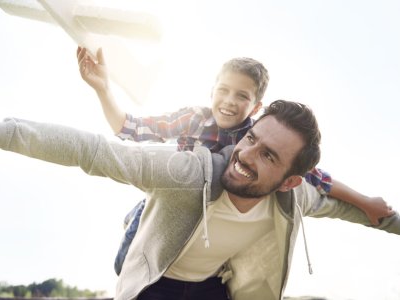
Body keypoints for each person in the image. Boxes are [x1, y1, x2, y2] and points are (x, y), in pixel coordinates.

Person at [0, 100, 398, 300]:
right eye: (252, 140)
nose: (245, 157)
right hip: (156, 283)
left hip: (210, 288)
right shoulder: (192, 172)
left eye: (267, 156)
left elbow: (358, 214)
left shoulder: (293, 200)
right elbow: (95, 151)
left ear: (288, 180)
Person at [76, 47, 394, 274]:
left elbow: (317, 179)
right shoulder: (193, 119)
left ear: (256, 106)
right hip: (169, 211)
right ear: (212, 90)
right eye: (223, 90)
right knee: (125, 266)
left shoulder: (258, 137)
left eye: (242, 96)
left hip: (216, 226)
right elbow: (129, 128)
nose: (229, 101)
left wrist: (365, 202)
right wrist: (103, 89)